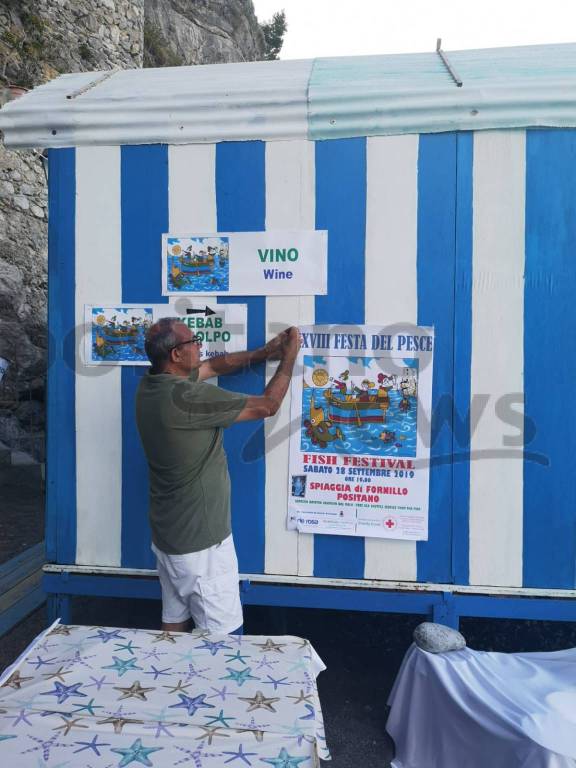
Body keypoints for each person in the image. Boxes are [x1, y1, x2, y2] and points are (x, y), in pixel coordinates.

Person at [135, 318, 300, 636]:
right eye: (192, 341)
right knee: (224, 641)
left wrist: (265, 352)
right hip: (202, 547)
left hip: (169, 539)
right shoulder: (185, 399)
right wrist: (290, 354)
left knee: (173, 625)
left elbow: (213, 367)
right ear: (176, 355)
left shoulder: (152, 384)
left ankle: (171, 682)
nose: (199, 345)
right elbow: (268, 406)